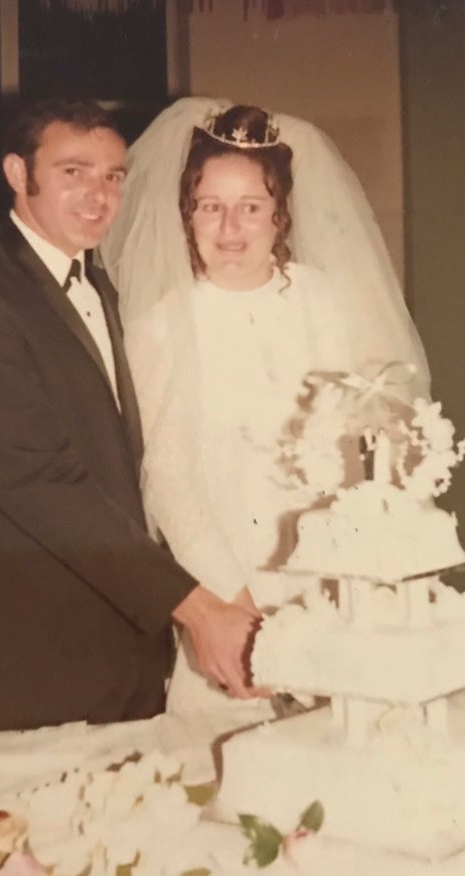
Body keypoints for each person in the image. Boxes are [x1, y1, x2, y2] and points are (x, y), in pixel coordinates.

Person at [0, 99, 261, 732]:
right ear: (19, 175)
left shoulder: (99, 284)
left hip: (129, 657)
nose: (99, 196)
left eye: (114, 176)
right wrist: (198, 609)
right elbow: (38, 481)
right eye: (74, 172)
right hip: (35, 664)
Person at [101, 98, 430, 713]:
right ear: (187, 216)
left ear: (280, 217)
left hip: (338, 587)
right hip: (231, 596)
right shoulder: (162, 327)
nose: (230, 229)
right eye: (211, 207)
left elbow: (373, 439)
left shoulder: (328, 302)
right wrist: (236, 601)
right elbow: (166, 476)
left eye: (250, 208)